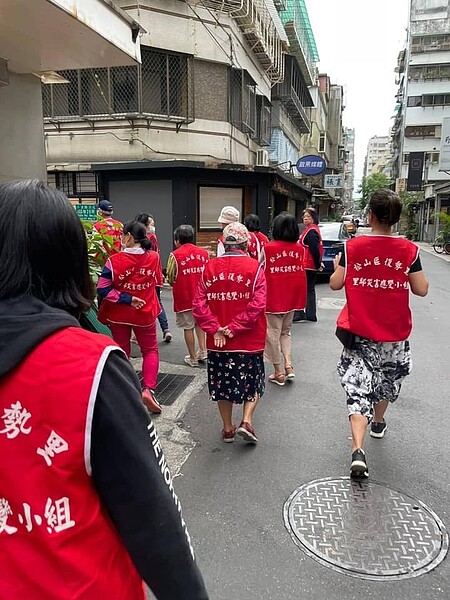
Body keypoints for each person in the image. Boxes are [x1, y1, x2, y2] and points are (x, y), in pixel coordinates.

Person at [0, 180, 208, 599]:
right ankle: (148, 386)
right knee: (146, 353)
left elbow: (115, 286)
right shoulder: (90, 366)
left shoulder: (117, 257)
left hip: (121, 319)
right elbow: (153, 516)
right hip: (84, 586)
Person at [330, 189, 429, 479]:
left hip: (358, 333)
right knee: (386, 382)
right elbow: (421, 289)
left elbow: (336, 284)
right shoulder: (410, 251)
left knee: (357, 389)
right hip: (394, 335)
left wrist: (339, 268)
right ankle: (379, 422)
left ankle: (357, 449)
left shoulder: (353, 247)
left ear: (370, 215)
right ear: (396, 219)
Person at [193, 222, 267, 444]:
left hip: (218, 343)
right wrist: (233, 328)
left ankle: (227, 429)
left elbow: (199, 304)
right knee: (252, 382)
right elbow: (258, 305)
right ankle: (246, 421)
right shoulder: (255, 268)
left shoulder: (209, 268)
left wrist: (216, 328)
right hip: (248, 341)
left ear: (224, 243)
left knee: (222, 386)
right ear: (246, 243)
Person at [98, 221, 163, 415]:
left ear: (128, 236)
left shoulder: (114, 261)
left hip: (119, 314)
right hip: (145, 312)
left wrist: (125, 298)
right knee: (150, 350)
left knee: (122, 351)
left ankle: (125, 392)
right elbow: (157, 280)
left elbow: (102, 288)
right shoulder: (154, 257)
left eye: (122, 235)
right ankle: (149, 390)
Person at [262, 213, 307, 385]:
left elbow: (259, 268)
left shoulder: (268, 248)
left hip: (273, 298)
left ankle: (279, 372)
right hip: (292, 299)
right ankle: (289, 365)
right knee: (285, 332)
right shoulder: (299, 249)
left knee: (272, 334)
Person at [166, 225, 209, 367]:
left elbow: (171, 277)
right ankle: (203, 351)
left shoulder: (175, 255)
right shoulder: (204, 253)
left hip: (185, 297)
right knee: (200, 324)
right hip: (202, 297)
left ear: (177, 240)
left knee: (188, 327)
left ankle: (192, 358)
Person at [135, 213, 172, 344]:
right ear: (144, 225)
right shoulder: (153, 238)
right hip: (155, 275)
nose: (153, 227)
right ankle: (166, 329)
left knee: (141, 303)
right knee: (157, 302)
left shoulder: (141, 239)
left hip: (143, 276)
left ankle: (140, 334)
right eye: (151, 224)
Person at [293, 207, 323, 322]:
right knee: (309, 289)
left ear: (314, 218)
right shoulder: (311, 230)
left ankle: (301, 313)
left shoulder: (311, 232)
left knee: (305, 289)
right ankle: (310, 314)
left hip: (307, 265)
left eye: (308, 216)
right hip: (308, 265)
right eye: (304, 216)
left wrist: (317, 264)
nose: (305, 218)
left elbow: (315, 250)